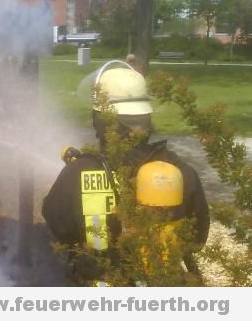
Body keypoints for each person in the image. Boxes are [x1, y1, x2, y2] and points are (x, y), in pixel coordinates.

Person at [42, 60, 209, 284]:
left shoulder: (78, 172)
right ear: (146, 118)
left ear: (100, 121)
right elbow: (197, 238)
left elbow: (59, 227)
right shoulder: (179, 170)